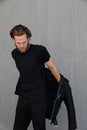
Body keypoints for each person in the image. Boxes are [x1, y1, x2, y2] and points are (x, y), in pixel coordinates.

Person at [10, 24, 61, 130]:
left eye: (24, 42)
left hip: (39, 99)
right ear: (13, 40)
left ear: (28, 37)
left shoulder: (40, 50)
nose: (22, 45)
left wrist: (62, 86)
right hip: (23, 99)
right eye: (18, 43)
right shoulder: (14, 54)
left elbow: (52, 67)